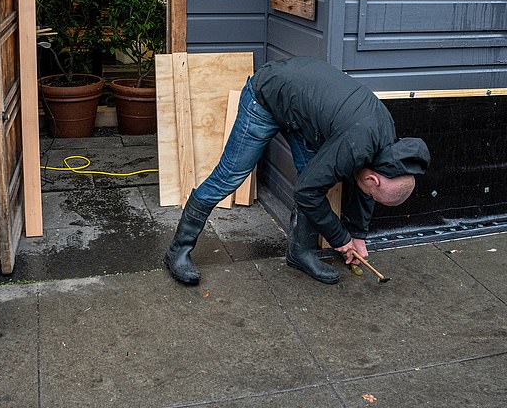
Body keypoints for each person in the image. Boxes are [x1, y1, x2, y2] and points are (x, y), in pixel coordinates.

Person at [164, 57, 430, 286]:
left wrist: (358, 235)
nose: (369, 194)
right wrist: (340, 238)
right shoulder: (357, 144)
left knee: (311, 177)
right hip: (266, 96)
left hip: (301, 113)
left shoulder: (386, 150)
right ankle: (178, 251)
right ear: (374, 178)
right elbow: (308, 193)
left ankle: (300, 252)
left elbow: (361, 191)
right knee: (229, 177)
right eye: (374, 191)